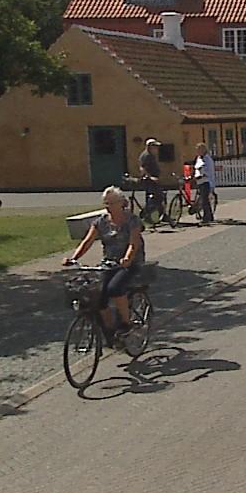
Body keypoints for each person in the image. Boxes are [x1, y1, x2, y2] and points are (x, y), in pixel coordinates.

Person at [64, 186, 146, 349]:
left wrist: (127, 258)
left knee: (114, 288)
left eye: (111, 203)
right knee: (98, 298)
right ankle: (110, 331)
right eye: (106, 203)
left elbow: (134, 243)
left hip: (130, 263)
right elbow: (87, 241)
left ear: (121, 203)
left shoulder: (132, 220)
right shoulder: (101, 221)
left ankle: (126, 323)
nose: (108, 206)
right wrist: (73, 258)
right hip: (108, 264)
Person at [137, 138, 165, 222]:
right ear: (149, 147)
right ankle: (147, 214)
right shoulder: (146, 156)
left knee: (158, 197)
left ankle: (160, 215)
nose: (156, 149)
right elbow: (142, 168)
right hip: (149, 180)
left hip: (154, 179)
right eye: (154, 146)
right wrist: (150, 177)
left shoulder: (151, 155)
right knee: (155, 197)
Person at [192, 142, 217, 224]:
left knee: (204, 200)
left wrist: (200, 176)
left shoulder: (207, 159)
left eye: (199, 150)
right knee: (203, 199)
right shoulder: (199, 158)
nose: (197, 152)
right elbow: (196, 168)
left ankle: (207, 218)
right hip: (200, 181)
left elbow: (207, 171)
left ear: (203, 150)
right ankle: (209, 216)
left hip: (206, 181)